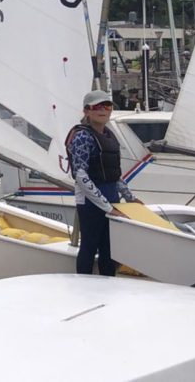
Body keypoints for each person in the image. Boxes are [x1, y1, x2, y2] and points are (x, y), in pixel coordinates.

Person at [67, 89, 140, 276]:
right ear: (86, 111)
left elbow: (114, 174)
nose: (103, 110)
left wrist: (130, 198)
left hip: (111, 200)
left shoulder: (109, 135)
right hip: (91, 204)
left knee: (110, 250)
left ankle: (108, 286)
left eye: (107, 106)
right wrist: (108, 208)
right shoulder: (83, 137)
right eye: (97, 106)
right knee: (89, 247)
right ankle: (84, 285)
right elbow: (81, 176)